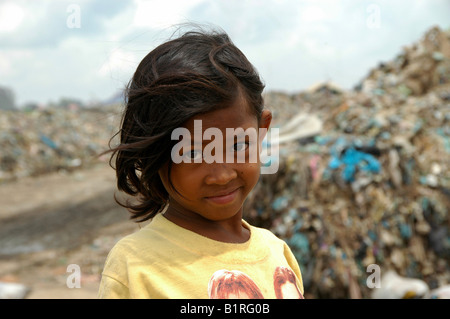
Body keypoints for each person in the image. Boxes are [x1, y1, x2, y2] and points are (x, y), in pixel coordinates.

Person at [98, 26, 304, 299]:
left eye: (237, 145)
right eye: (192, 153)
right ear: (155, 154)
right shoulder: (136, 267)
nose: (221, 175)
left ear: (262, 130)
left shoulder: (278, 253)